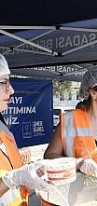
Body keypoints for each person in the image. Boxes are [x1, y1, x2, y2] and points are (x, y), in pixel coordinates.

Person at [0, 54, 53, 205]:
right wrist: (13, 179)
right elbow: (12, 177)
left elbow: (12, 169)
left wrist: (31, 171)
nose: (11, 90)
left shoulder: (3, 128)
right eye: (3, 82)